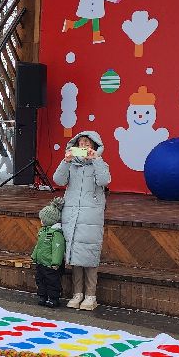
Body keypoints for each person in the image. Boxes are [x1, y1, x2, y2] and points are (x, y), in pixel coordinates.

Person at [52, 131, 111, 310]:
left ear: (93, 146)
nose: (84, 145)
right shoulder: (72, 165)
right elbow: (57, 180)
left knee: (90, 254)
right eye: (80, 143)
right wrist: (65, 161)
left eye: (87, 143)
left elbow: (105, 180)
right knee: (74, 253)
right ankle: (77, 293)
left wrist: (96, 160)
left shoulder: (99, 163)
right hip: (72, 213)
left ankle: (91, 296)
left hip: (91, 214)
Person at [30, 198, 66, 307]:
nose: (41, 221)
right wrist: (34, 256)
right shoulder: (43, 232)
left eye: (43, 219)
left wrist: (56, 262)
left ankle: (53, 298)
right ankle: (42, 296)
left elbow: (57, 249)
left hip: (51, 265)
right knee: (40, 280)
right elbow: (39, 246)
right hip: (41, 262)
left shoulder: (56, 234)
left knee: (52, 282)